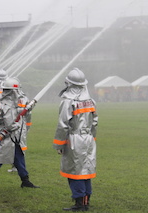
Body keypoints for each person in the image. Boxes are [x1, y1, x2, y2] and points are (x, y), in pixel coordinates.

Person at [53, 68, 98, 212]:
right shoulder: (91, 100)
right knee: (86, 170)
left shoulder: (68, 101)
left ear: (69, 83)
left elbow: (63, 125)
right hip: (89, 138)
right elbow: (95, 122)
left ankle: (79, 203)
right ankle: (85, 201)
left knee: (74, 171)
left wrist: (59, 144)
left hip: (74, 139)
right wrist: (92, 138)